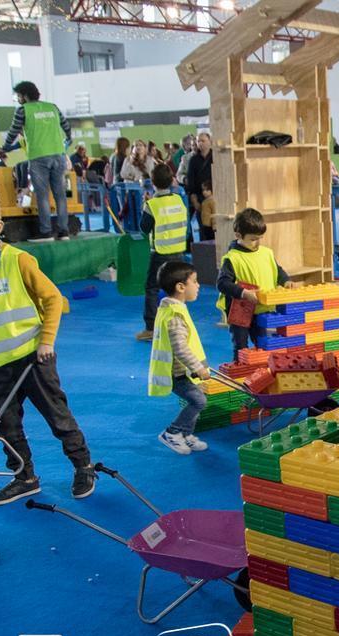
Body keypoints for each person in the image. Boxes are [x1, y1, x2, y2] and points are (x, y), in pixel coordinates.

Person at [0, 190, 96, 505]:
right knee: (6, 425)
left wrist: (47, 341)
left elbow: (53, 298)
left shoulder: (18, 259)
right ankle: (24, 477)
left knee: (57, 416)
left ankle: (83, 466)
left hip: (33, 357)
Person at [149, 260, 211, 455]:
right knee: (199, 401)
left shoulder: (172, 308)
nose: (198, 285)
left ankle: (186, 434)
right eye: (195, 281)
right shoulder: (175, 315)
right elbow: (180, 348)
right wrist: (198, 368)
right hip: (176, 373)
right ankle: (173, 432)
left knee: (199, 398)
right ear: (181, 287)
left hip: (182, 371)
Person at [216, 208, 296, 356]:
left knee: (262, 344)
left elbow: (277, 269)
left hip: (261, 308)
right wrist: (244, 293)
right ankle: (241, 372)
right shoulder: (232, 258)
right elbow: (222, 284)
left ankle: (262, 373)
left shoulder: (266, 253)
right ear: (238, 235)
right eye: (253, 239)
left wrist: (286, 281)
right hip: (239, 310)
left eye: (260, 238)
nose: (257, 242)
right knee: (241, 347)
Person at [1, 81, 72, 240]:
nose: (18, 99)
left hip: (39, 157)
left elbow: (13, 132)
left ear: (24, 95)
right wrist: (69, 138)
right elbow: (66, 126)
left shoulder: (23, 110)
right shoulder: (52, 107)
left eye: (18, 96)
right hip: (58, 155)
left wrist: (4, 148)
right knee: (60, 195)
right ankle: (64, 231)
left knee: (43, 196)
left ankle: (46, 232)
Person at [135, 164, 190, 341]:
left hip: (160, 253)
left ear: (153, 182)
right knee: (177, 289)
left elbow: (143, 229)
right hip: (179, 252)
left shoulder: (152, 205)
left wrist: (145, 204)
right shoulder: (179, 200)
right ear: (172, 180)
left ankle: (150, 328)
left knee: (152, 288)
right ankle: (182, 324)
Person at [186, 133, 214, 240]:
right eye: (198, 141)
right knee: (204, 229)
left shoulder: (216, 157)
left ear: (210, 141)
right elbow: (191, 182)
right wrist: (195, 201)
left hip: (215, 197)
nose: (200, 143)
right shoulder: (193, 160)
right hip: (200, 198)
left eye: (203, 141)